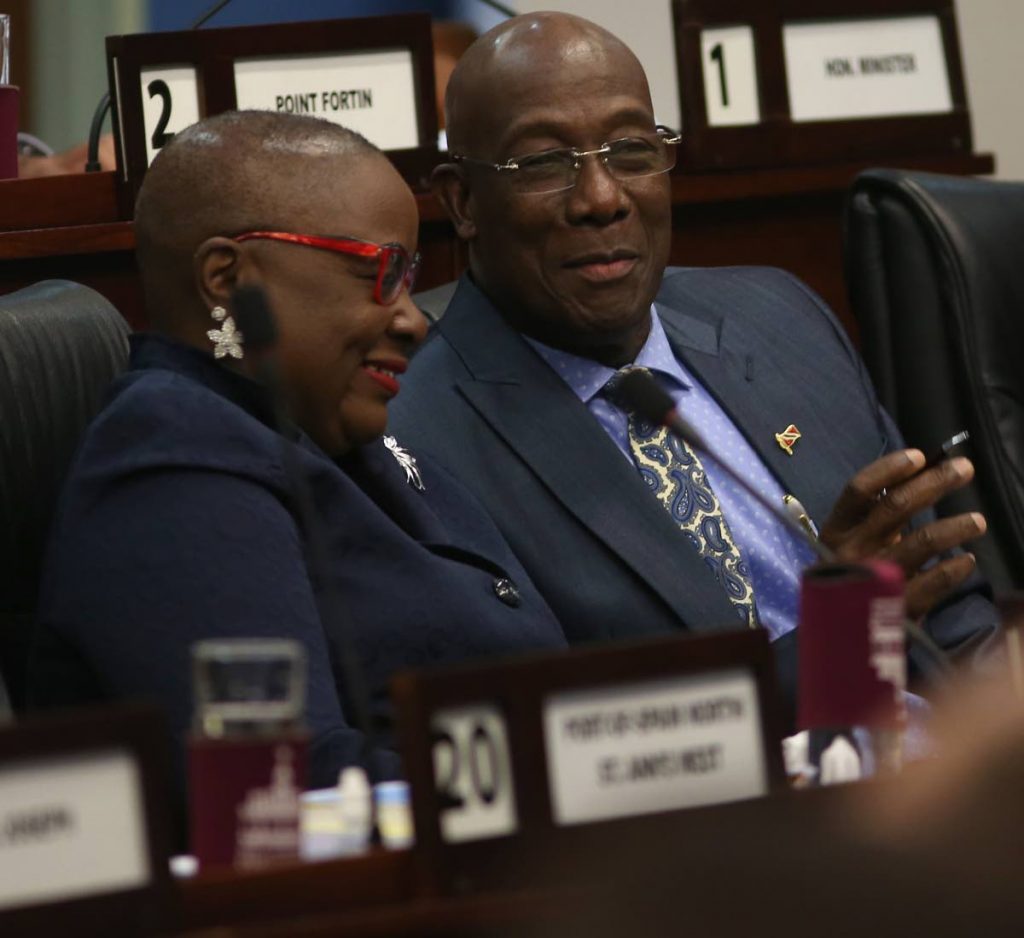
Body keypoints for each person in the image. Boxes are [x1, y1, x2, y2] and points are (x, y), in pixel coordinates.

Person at [389, 12, 997, 721]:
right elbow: (568, 738)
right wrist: (829, 643)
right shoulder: (416, 442)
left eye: (631, 150)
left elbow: (946, 604)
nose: (601, 198)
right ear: (462, 200)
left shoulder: (775, 315)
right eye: (544, 164)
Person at [30, 110, 567, 794]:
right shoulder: (173, 455)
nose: (411, 319)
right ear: (227, 279)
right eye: (381, 273)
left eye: (411, 276)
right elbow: (285, 786)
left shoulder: (323, 424)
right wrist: (566, 795)